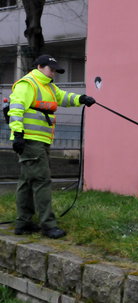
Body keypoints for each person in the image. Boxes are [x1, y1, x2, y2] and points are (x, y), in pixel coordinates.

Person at [7, 54, 95, 239]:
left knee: (27, 181)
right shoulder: (28, 84)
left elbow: (63, 97)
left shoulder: (48, 86)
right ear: (39, 66)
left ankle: (23, 223)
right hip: (30, 140)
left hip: (40, 139)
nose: (54, 73)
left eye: (56, 70)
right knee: (42, 181)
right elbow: (16, 109)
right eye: (51, 69)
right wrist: (18, 134)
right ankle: (48, 225)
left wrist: (82, 99)